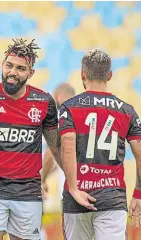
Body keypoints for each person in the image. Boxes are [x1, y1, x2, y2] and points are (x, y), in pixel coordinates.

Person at [0, 38, 60, 240]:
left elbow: (56, 148)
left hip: (27, 192)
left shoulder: (43, 102)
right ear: (2, 65)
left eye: (20, 68)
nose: (13, 72)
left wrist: (74, 182)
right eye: (9, 65)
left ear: (31, 73)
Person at [59, 49, 141, 239]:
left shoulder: (70, 107)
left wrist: (73, 188)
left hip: (77, 198)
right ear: (110, 75)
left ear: (83, 74)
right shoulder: (127, 111)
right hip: (112, 199)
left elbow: (68, 147)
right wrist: (138, 193)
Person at [41, 83, 75, 199]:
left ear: (59, 97)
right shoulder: (84, 116)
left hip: (71, 188)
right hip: (95, 185)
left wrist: (42, 180)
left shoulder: (60, 118)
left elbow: (51, 152)